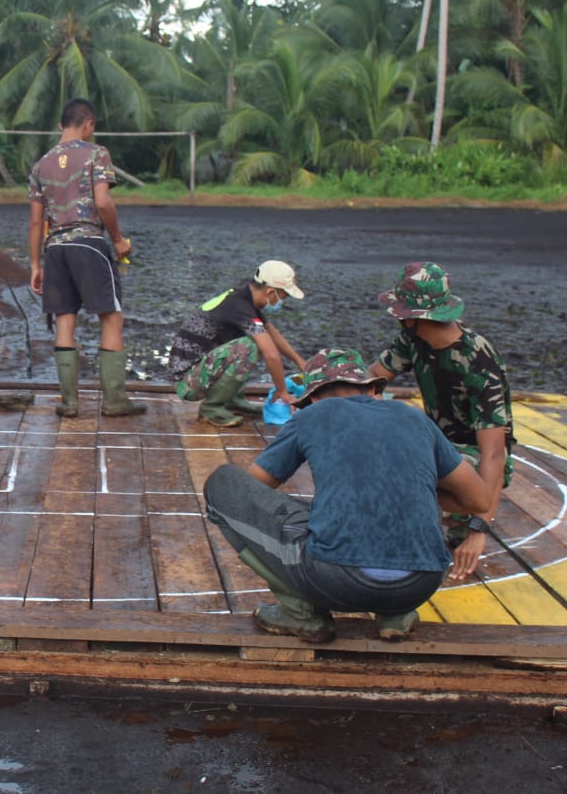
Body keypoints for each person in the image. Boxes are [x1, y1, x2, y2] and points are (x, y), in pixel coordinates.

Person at [203, 348, 491, 644]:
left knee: (223, 484)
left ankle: (302, 615)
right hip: (421, 583)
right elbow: (478, 501)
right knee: (419, 493)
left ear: (313, 398)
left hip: (338, 580)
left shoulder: (314, 414)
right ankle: (396, 614)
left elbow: (252, 489)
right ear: (371, 389)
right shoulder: (414, 417)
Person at [368, 261, 514, 547]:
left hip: (474, 457)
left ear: (415, 317)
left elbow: (495, 453)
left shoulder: (477, 361)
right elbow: (372, 377)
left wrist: (479, 527)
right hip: (437, 444)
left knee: (411, 470)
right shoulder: (413, 340)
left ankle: (458, 516)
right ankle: (431, 513)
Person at [27, 98, 144, 418]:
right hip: (89, 244)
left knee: (65, 319)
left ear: (61, 125)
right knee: (111, 317)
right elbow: (103, 202)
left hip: (55, 250)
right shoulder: (97, 153)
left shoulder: (41, 164)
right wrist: (118, 239)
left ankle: (70, 403)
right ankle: (114, 401)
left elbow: (36, 222)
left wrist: (35, 264)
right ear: (88, 124)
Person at [166, 261, 308, 426]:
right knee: (249, 347)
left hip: (196, 370)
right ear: (271, 292)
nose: (282, 302)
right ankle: (212, 409)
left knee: (257, 339)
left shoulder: (245, 298)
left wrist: (300, 362)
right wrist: (282, 391)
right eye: (284, 296)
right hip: (187, 382)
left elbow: (272, 333)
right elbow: (270, 353)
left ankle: (232, 400)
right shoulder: (239, 307)